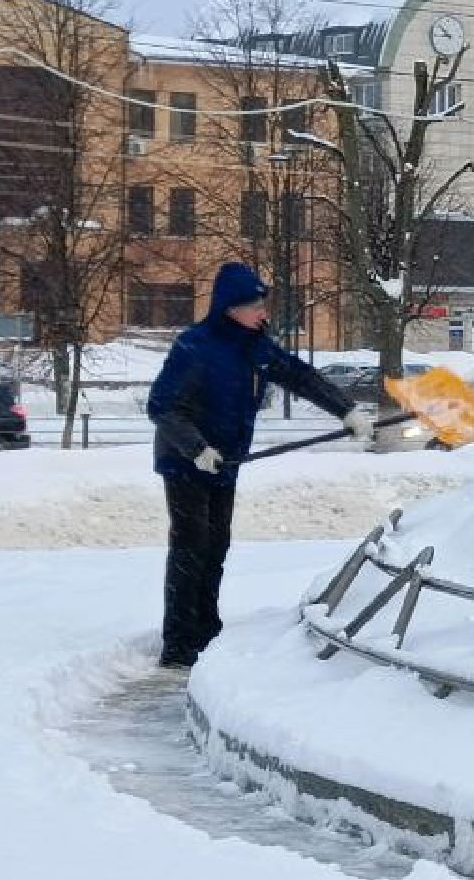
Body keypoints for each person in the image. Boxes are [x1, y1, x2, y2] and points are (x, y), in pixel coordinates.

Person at [148, 262, 373, 669]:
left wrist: (346, 410)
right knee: (190, 548)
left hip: (226, 461)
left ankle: (205, 630)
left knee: (216, 546)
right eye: (254, 306)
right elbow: (162, 406)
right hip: (185, 461)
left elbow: (301, 377)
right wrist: (196, 447)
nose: (262, 313)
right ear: (230, 307)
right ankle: (179, 644)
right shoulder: (195, 346)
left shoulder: (255, 347)